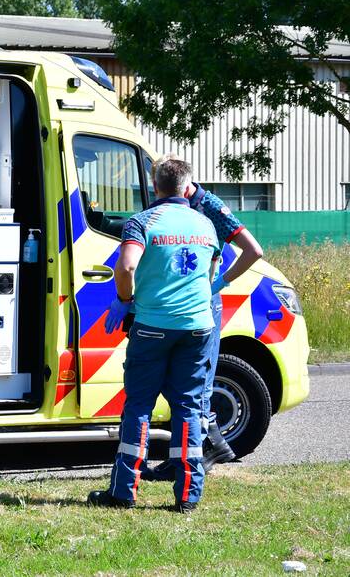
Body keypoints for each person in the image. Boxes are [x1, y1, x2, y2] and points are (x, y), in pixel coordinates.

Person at [87, 158, 220, 513]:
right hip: (198, 326)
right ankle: (189, 496)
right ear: (187, 187)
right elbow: (209, 272)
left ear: (155, 184)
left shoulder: (142, 222)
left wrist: (123, 300)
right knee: (189, 407)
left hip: (153, 326)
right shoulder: (205, 223)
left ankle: (124, 491)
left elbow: (127, 265)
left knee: (140, 406)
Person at [142, 156, 264, 480]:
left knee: (197, 386)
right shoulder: (178, 206)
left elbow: (253, 250)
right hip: (179, 305)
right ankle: (191, 453)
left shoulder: (208, 205)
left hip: (200, 306)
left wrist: (220, 283)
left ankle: (201, 454)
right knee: (179, 383)